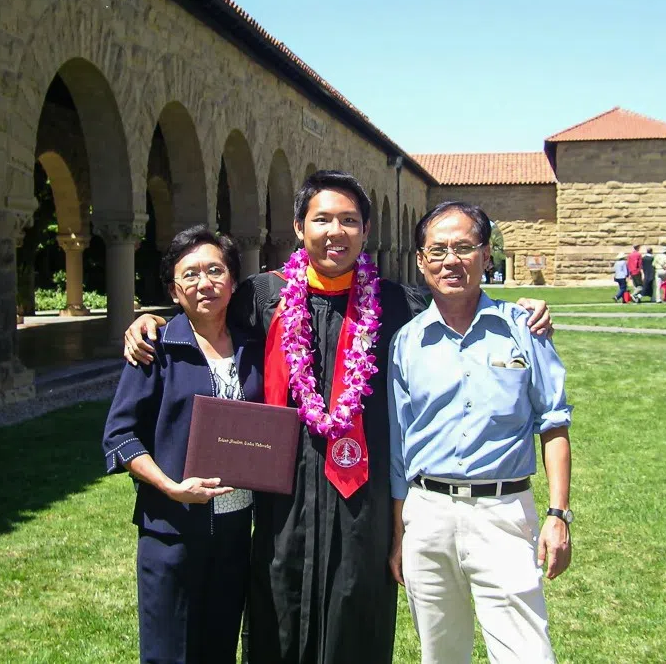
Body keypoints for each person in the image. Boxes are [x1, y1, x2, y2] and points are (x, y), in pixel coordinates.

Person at [121, 171, 554, 664]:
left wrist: (522, 311)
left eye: (349, 220)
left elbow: (460, 306)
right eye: (322, 219)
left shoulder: (397, 304)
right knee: (280, 610)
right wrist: (152, 320)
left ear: (366, 231)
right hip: (284, 495)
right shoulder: (264, 297)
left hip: (362, 500)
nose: (335, 231)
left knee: (355, 610)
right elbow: (205, 312)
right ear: (299, 227)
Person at [388, 202, 572, 663]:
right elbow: (398, 446)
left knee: (527, 653)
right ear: (421, 261)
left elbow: (553, 422)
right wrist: (400, 534)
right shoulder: (407, 342)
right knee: (441, 654)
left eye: (464, 247)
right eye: (438, 250)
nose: (451, 260)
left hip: (502, 512)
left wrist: (558, 515)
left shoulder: (523, 329)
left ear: (486, 255)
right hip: (427, 515)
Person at [102, 225, 263, 663]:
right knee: (170, 651)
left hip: (235, 531)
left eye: (215, 270)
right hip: (172, 530)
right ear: (174, 290)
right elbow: (119, 435)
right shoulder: (156, 348)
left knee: (219, 649)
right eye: (189, 274)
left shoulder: (254, 347)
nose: (203, 283)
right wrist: (171, 487)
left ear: (233, 281)